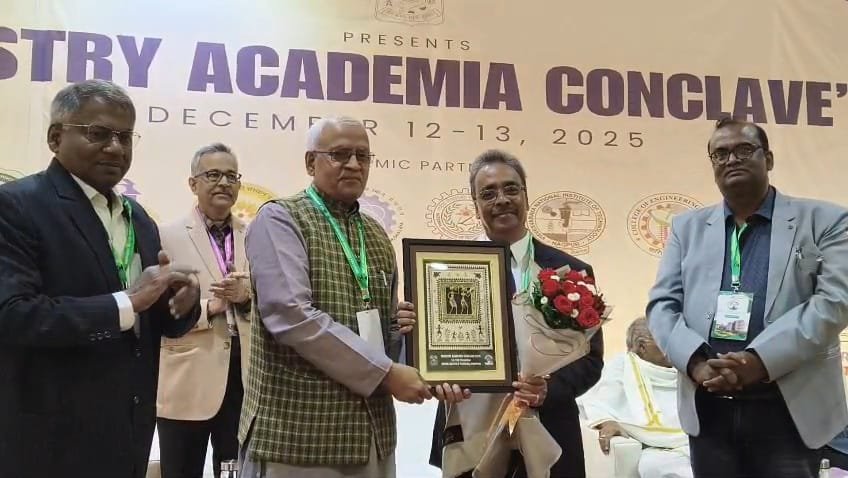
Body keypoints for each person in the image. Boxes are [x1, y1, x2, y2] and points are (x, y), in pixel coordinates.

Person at [0, 79, 201, 478]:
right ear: (55, 138)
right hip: (48, 440)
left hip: (129, 434)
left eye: (125, 137)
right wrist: (127, 302)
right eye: (98, 133)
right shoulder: (17, 205)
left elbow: (153, 324)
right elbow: (13, 314)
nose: (115, 148)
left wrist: (180, 303)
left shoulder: (138, 217)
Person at [647, 117, 848, 477]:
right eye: (720, 153)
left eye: (744, 150)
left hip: (789, 409)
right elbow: (662, 305)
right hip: (708, 408)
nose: (731, 160)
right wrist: (696, 363)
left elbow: (834, 302)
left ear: (768, 159)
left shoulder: (827, 220)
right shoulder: (686, 227)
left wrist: (759, 361)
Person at [239, 117, 432, 477]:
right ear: (311, 162)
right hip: (299, 442)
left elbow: (384, 336)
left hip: (373, 437)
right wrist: (387, 373)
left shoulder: (375, 234)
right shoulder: (281, 219)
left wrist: (414, 341)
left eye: (363, 155)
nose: (354, 164)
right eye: (340, 154)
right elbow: (292, 316)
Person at [430, 149, 605, 478]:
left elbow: (591, 361)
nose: (502, 199)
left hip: (550, 429)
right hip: (470, 430)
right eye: (488, 193)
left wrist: (548, 389)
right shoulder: (447, 270)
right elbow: (434, 356)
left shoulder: (571, 271)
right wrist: (438, 381)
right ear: (475, 205)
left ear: (526, 195)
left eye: (511, 189)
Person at [156, 143, 252, 478]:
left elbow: (275, 302)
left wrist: (246, 298)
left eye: (231, 176)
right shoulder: (165, 236)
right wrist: (209, 307)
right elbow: (156, 309)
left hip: (243, 380)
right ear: (193, 183)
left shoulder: (255, 235)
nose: (224, 183)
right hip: (186, 381)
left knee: (234, 472)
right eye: (213, 175)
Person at [578, 318, 692, 478]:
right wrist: (607, 421)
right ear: (642, 346)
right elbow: (598, 400)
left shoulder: (686, 369)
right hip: (651, 447)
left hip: (690, 442)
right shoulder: (621, 366)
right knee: (654, 466)